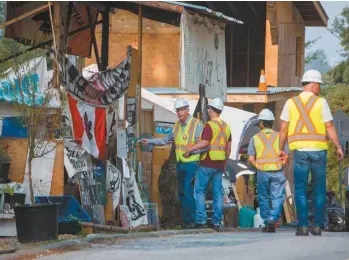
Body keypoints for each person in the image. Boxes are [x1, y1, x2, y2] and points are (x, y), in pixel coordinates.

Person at [279, 69, 344, 236]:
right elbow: (329, 126)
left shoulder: (290, 103)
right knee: (319, 189)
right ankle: (317, 225)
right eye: (319, 85)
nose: (320, 88)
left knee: (300, 189)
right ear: (313, 84)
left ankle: (302, 226)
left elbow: (284, 129)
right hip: (318, 151)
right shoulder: (321, 103)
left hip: (300, 152)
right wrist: (338, 146)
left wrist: (281, 149)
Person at [141, 99, 203, 229]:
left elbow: (202, 145)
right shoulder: (176, 126)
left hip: (192, 163)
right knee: (181, 193)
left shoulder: (196, 124)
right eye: (177, 110)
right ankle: (186, 221)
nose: (179, 113)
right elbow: (166, 140)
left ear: (187, 110)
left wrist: (191, 151)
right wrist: (150, 141)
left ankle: (191, 220)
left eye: (181, 110)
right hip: (180, 163)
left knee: (187, 191)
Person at [184, 98, 231, 231]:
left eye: (209, 108)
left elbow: (205, 143)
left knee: (199, 191)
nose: (208, 110)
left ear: (211, 110)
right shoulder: (226, 127)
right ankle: (216, 222)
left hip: (207, 163)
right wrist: (224, 163)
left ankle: (201, 219)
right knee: (217, 193)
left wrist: (190, 149)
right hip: (219, 164)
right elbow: (229, 148)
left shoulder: (210, 125)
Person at [248, 109, 288, 233]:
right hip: (277, 170)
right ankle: (272, 219)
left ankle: (267, 221)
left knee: (263, 197)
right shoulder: (279, 136)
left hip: (262, 172)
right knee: (277, 197)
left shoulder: (255, 138)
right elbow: (286, 155)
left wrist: (258, 166)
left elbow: (250, 158)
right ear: (272, 122)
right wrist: (281, 165)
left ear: (261, 123)